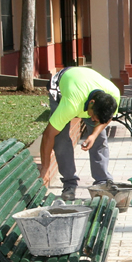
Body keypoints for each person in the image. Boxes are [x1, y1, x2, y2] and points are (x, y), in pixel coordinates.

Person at [39, 66, 119, 202]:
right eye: (93, 116)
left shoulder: (114, 95)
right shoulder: (70, 104)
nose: (93, 120)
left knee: (100, 137)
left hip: (84, 85)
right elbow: (48, 135)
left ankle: (102, 182)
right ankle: (69, 184)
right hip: (61, 88)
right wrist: (45, 168)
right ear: (91, 104)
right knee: (61, 139)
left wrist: (93, 135)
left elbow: (106, 119)